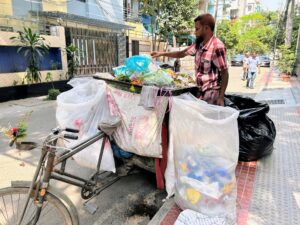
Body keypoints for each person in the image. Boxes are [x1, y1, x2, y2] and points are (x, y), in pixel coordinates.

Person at [151, 14, 228, 106]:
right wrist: (161, 53)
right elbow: (182, 53)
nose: (195, 33)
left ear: (206, 28)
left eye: (197, 29)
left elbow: (224, 73)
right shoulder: (199, 44)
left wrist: (221, 97)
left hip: (212, 94)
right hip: (200, 92)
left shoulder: (217, 47)